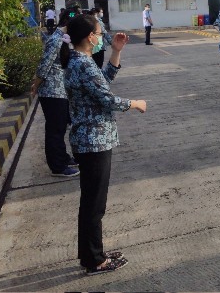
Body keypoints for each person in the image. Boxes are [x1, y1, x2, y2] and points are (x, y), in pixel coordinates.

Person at [63, 14, 147, 275]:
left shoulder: (81, 62)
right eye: (99, 34)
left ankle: (90, 254)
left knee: (91, 203)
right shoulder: (82, 64)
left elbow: (103, 83)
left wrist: (116, 52)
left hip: (90, 140)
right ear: (89, 37)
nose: (101, 37)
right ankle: (95, 260)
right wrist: (134, 103)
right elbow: (107, 99)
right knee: (94, 205)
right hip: (93, 141)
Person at [31, 12, 79, 178]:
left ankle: (63, 157)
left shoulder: (63, 38)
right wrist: (35, 86)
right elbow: (44, 65)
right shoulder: (55, 40)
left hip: (60, 91)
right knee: (55, 130)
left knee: (60, 127)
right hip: (52, 92)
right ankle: (57, 166)